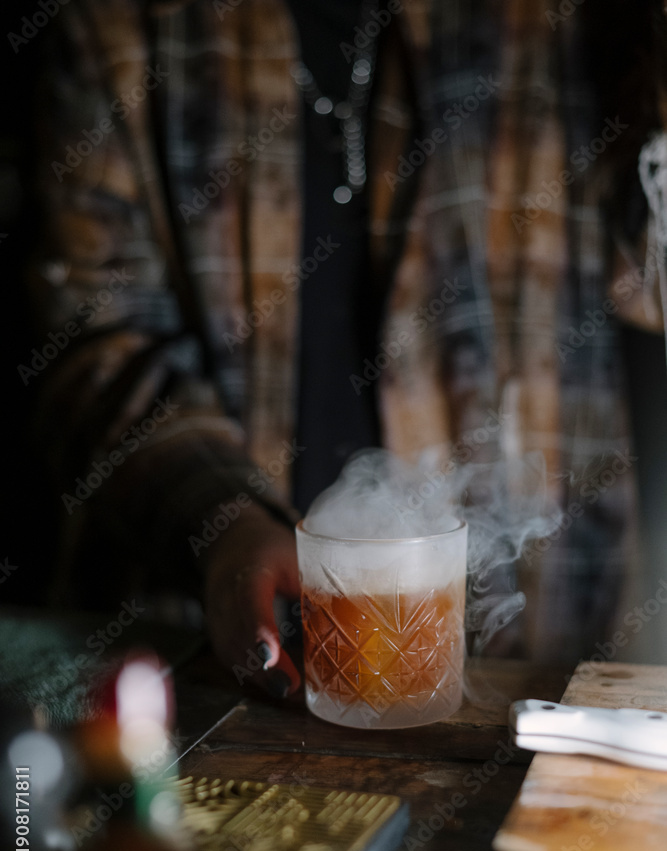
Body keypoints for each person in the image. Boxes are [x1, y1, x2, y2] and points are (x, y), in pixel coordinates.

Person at [27, 0, 666, 695]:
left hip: (529, 660)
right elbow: (93, 339)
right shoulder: (118, 24)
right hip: (201, 658)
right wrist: (223, 523)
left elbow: (649, 281)